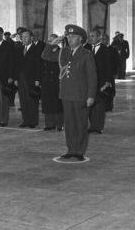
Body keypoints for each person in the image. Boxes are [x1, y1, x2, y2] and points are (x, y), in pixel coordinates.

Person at [41, 24, 96, 161]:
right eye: (68, 36)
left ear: (80, 39)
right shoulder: (64, 52)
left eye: (73, 37)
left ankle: (79, 151)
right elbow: (45, 55)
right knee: (70, 123)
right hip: (66, 94)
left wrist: (90, 96)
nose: (70, 39)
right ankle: (71, 149)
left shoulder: (86, 54)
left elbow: (92, 77)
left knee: (81, 123)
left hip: (80, 95)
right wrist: (53, 43)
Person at [84, 29, 113, 134]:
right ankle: (92, 125)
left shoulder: (105, 50)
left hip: (101, 82)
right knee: (90, 105)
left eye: (93, 36)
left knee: (99, 106)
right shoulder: (86, 49)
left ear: (98, 37)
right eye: (90, 36)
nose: (90, 38)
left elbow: (109, 67)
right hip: (89, 82)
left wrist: (107, 82)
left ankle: (99, 126)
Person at [14, 29, 42, 128]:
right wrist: (16, 78)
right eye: (22, 37)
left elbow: (38, 65)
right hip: (21, 79)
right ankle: (25, 120)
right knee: (23, 100)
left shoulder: (36, 49)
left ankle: (33, 121)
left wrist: (38, 80)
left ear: (31, 38)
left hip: (32, 79)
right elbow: (16, 65)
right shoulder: (19, 49)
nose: (24, 39)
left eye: (26, 37)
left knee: (32, 100)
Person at [40, 34, 64, 131]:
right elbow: (43, 58)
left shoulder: (61, 52)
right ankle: (49, 124)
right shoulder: (46, 51)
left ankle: (59, 124)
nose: (50, 43)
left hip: (56, 81)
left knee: (57, 104)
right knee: (47, 103)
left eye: (52, 41)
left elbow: (48, 57)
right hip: (46, 81)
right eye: (49, 41)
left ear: (58, 42)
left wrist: (52, 46)